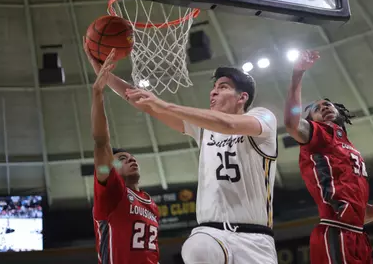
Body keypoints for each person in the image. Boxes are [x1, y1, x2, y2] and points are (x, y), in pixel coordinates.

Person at [83, 39, 279, 264]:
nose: (213, 93)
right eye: (213, 88)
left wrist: (165, 105)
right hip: (211, 233)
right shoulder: (203, 129)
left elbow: (230, 125)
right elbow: (142, 102)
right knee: (197, 248)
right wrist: (103, 74)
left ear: (242, 97)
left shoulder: (263, 118)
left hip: (256, 239)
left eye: (222, 87)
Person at [284, 50, 373, 264]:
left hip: (357, 233)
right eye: (316, 108)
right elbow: (291, 123)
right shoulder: (317, 135)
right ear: (311, 121)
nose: (324, 106)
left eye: (327, 103)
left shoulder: (349, 146)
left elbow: (362, 215)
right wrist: (297, 74)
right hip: (335, 230)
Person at [90, 50, 160, 264]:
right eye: (121, 158)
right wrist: (97, 94)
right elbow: (102, 143)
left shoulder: (151, 204)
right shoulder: (112, 192)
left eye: (131, 157)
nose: (131, 159)